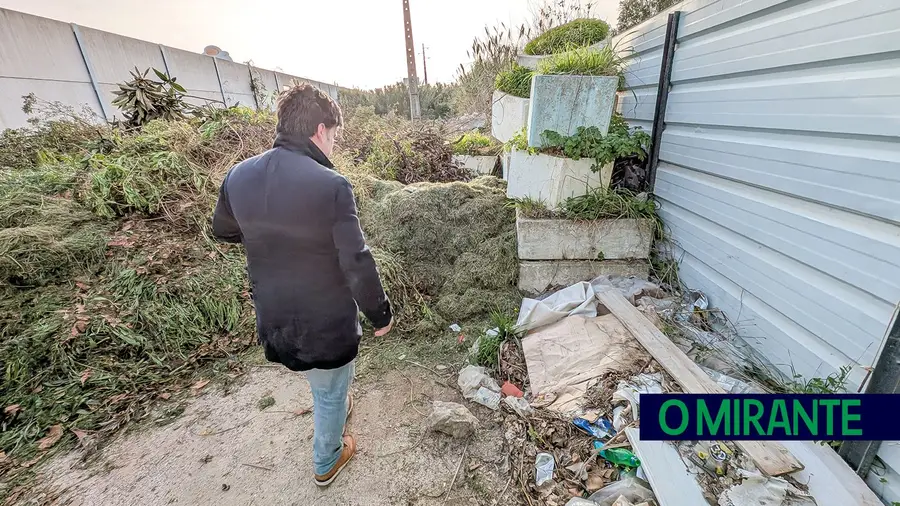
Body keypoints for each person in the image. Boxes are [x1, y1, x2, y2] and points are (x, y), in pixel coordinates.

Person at [211, 83, 393, 487]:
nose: (334, 144)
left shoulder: (238, 176)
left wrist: (265, 238)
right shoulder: (331, 185)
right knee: (329, 389)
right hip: (324, 319)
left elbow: (222, 231)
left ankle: (334, 410)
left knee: (321, 381)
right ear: (319, 130)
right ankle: (327, 459)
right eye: (334, 135)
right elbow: (355, 260)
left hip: (275, 314)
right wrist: (380, 312)